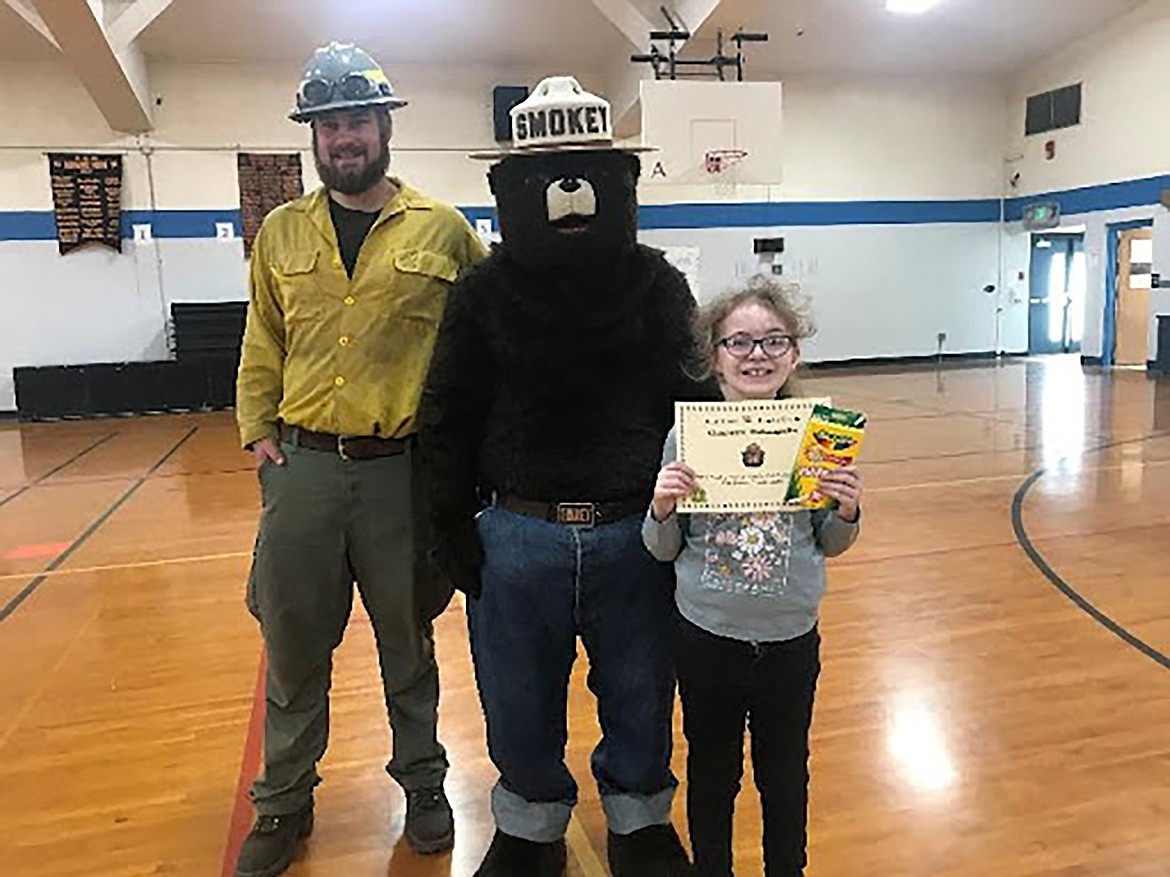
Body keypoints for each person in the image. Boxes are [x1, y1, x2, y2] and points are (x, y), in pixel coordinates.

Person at [418, 77, 703, 876]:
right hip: (516, 531)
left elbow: (695, 398)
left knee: (644, 692)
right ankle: (531, 829)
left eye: (586, 169)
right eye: (549, 171)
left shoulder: (656, 286)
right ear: (510, 189)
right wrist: (450, 527)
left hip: (635, 531)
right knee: (516, 700)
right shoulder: (483, 292)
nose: (569, 189)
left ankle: (639, 823)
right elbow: (447, 412)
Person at [234, 41, 487, 877]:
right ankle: (282, 802)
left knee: (407, 642)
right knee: (295, 641)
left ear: (385, 127)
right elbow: (262, 336)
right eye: (329, 123)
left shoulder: (443, 232)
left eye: (358, 121)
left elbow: (484, 340)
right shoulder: (280, 231)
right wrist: (258, 430)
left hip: (400, 474)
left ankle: (422, 783)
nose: (344, 137)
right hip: (302, 467)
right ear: (314, 136)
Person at [642, 276, 864, 877]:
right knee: (713, 776)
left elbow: (832, 544)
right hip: (707, 637)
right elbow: (661, 550)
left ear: (793, 353)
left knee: (785, 775)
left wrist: (845, 509)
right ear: (713, 355)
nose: (756, 355)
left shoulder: (819, 437)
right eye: (738, 342)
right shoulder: (686, 436)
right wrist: (661, 506)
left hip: (792, 639)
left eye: (773, 341)